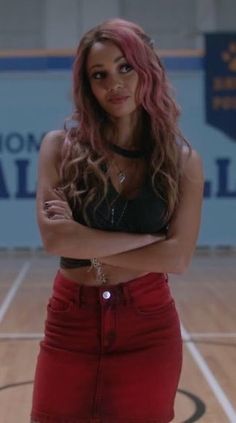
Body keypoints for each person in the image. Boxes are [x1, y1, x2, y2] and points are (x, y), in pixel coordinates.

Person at [31, 18, 204, 423]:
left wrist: (85, 240)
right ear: (87, 86)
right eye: (100, 75)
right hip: (69, 322)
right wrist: (150, 240)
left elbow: (178, 259)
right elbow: (57, 242)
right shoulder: (59, 148)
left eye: (125, 67)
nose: (115, 83)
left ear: (147, 69)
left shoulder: (182, 162)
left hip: (148, 325)